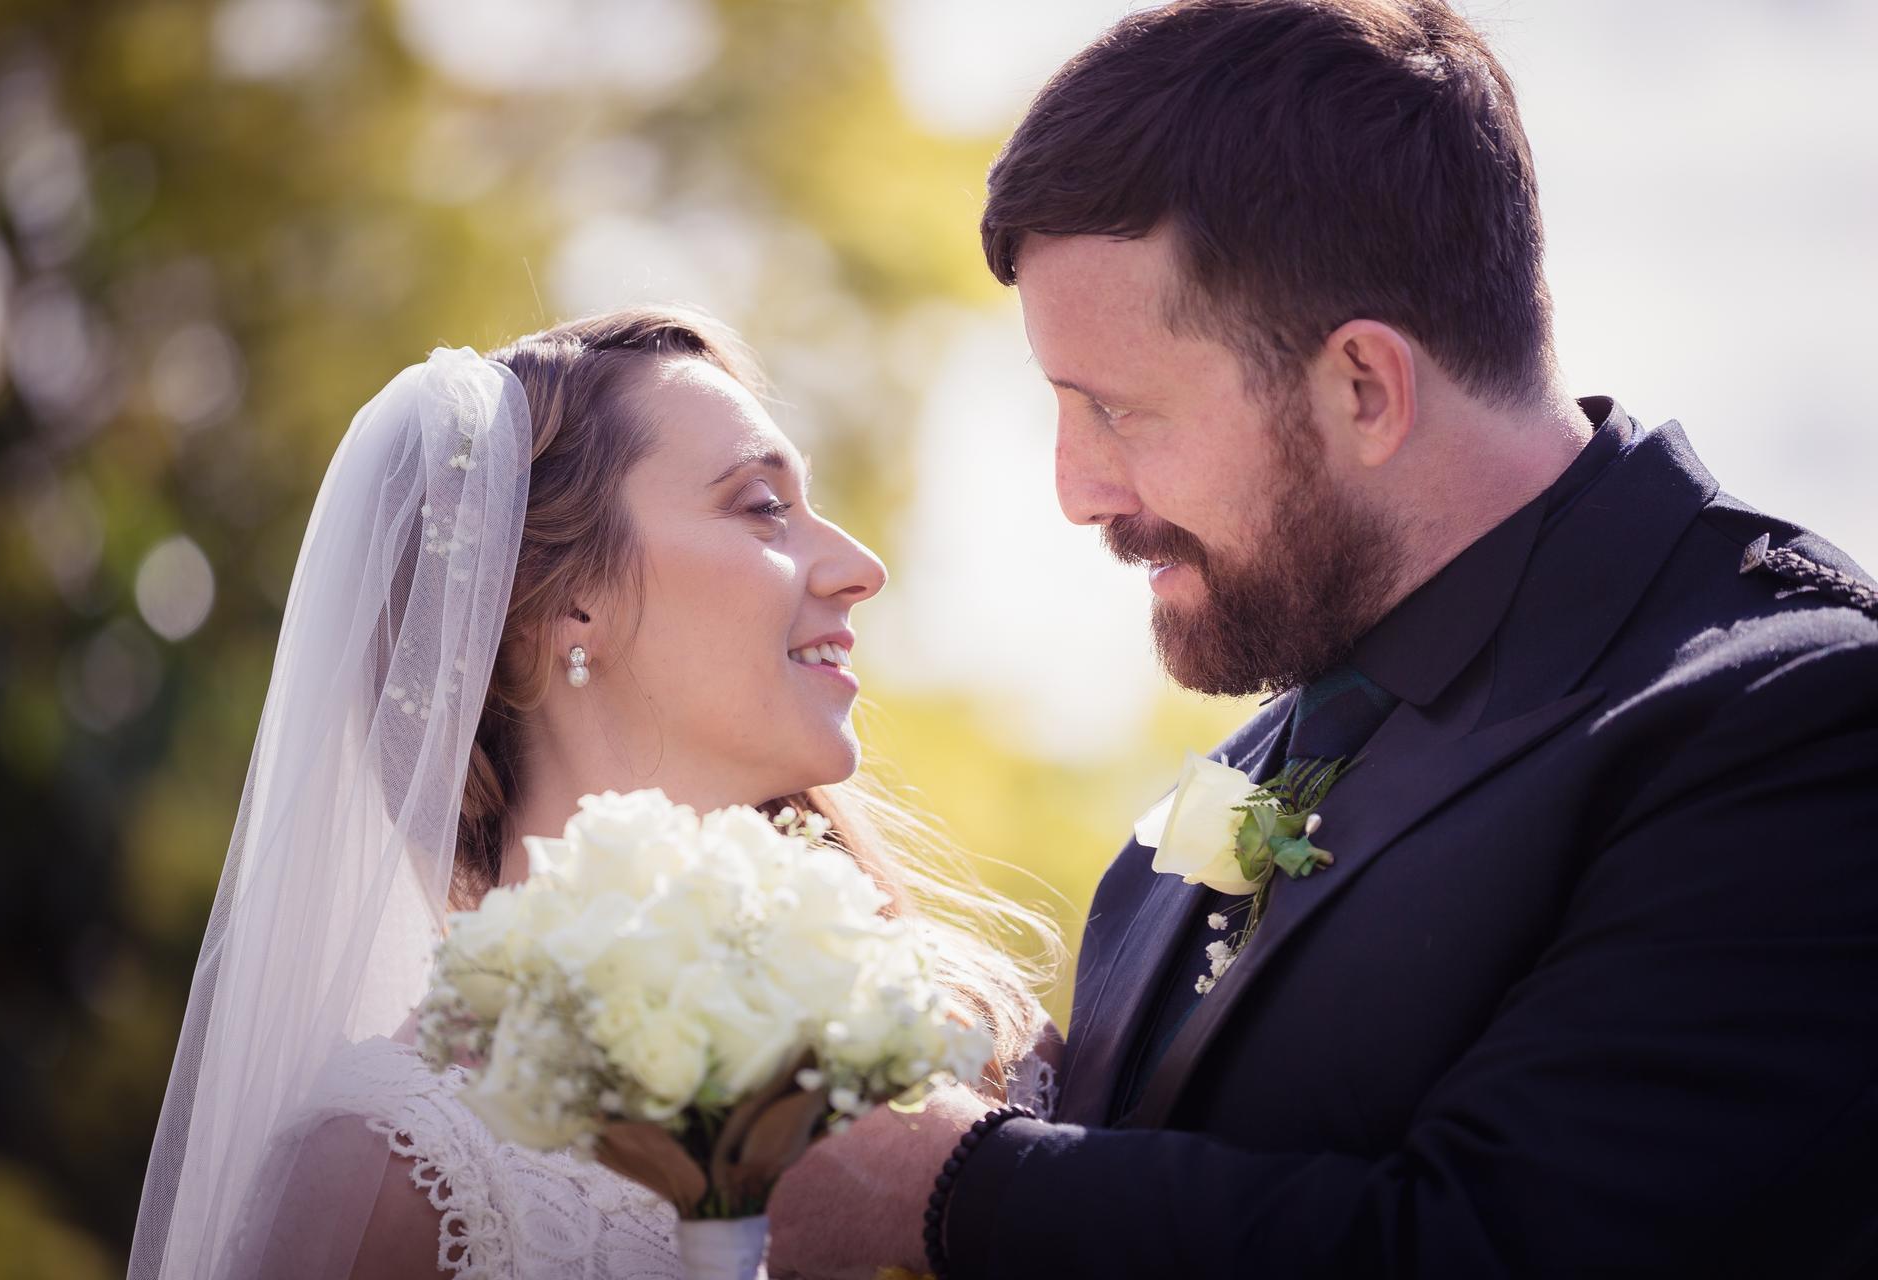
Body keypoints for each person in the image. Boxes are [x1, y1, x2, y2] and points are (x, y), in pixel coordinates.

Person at [763, 2, 1878, 1276]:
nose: (1079, 488)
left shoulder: (1797, 718)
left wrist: (962, 1189)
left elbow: (1515, 1249)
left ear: (1364, 385)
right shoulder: (1251, 761)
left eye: (1119, 411)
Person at [127, 308, 1062, 1280]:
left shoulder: (981, 1043)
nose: (860, 568)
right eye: (760, 505)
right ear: (565, 605)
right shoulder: (394, 1175)